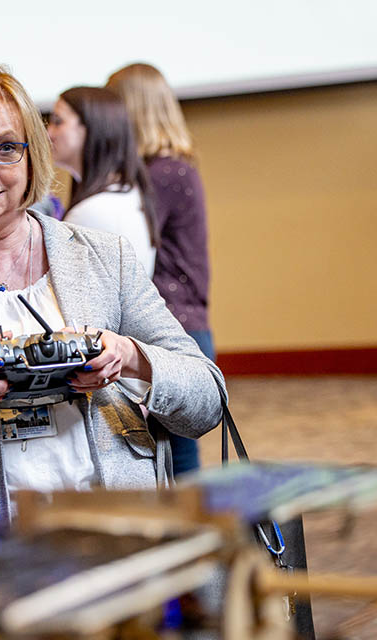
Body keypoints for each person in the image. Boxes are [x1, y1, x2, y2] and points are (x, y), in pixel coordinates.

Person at [0, 66, 226, 558]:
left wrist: (129, 356)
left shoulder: (102, 258)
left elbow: (208, 399)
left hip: (120, 541)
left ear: (34, 157)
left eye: (6, 147)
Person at [106, 63, 214, 477]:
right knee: (177, 460)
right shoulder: (175, 167)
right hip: (189, 324)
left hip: (173, 330)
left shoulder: (160, 175)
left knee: (178, 467)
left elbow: (130, 254)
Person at [47, 86, 158, 276]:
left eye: (58, 122)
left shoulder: (91, 213)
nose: (49, 133)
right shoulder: (127, 194)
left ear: (91, 129)